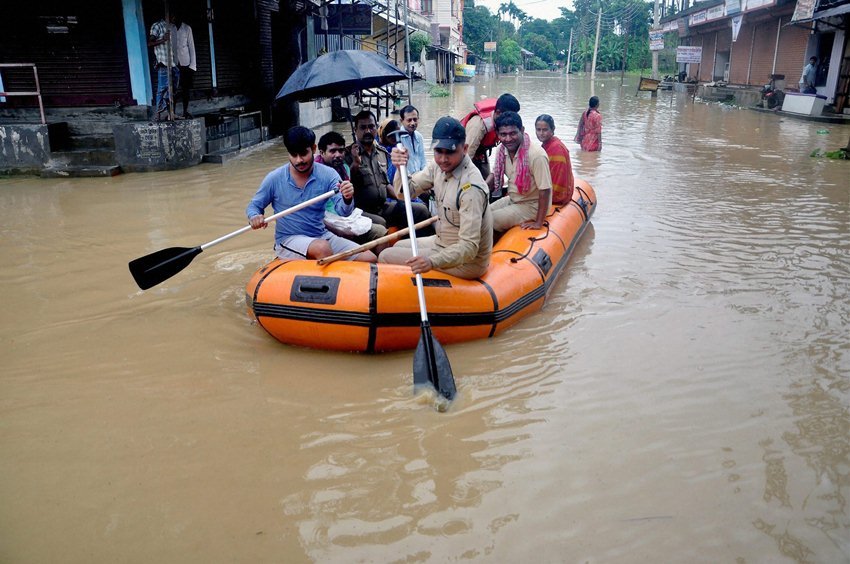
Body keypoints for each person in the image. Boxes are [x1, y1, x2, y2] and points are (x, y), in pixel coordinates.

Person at [380, 116, 493, 280]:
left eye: (450, 152)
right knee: (397, 245)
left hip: (467, 262)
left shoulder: (471, 188)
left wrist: (431, 262)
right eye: (439, 151)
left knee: (385, 256)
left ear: (465, 148)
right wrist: (400, 168)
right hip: (442, 241)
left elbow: (469, 248)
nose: (443, 159)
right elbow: (405, 193)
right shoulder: (437, 167)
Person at [246, 126, 377, 263]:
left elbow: (343, 212)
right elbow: (254, 206)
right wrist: (254, 216)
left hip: (321, 235)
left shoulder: (328, 174)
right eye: (293, 154)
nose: (298, 160)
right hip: (289, 239)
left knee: (369, 259)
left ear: (313, 149)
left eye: (303, 154)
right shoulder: (274, 178)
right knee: (322, 248)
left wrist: (347, 197)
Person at [347, 110, 432, 233]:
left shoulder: (382, 153)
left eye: (371, 127)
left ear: (376, 127)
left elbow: (386, 184)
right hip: (362, 211)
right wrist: (355, 163)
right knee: (381, 222)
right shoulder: (347, 155)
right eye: (363, 128)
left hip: (383, 206)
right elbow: (347, 186)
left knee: (420, 210)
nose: (367, 131)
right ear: (355, 130)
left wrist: (403, 198)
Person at [316, 131, 389, 249]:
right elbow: (314, 214)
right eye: (332, 151)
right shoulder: (315, 173)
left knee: (381, 225)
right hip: (328, 220)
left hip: (345, 214)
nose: (338, 155)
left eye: (341, 151)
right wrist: (339, 231)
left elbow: (346, 204)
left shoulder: (344, 168)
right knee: (380, 231)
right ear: (322, 153)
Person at [490, 111, 552, 232]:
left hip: (533, 204)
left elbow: (545, 190)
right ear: (498, 134)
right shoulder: (502, 151)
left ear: (522, 130)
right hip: (513, 199)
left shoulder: (536, 155)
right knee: (481, 214)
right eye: (503, 134)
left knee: (489, 220)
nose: (508, 139)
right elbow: (495, 175)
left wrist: (538, 223)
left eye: (513, 133)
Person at [461, 93, 521, 181]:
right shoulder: (478, 125)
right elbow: (465, 156)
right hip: (465, 153)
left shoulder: (504, 124)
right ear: (498, 112)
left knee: (487, 179)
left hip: (481, 153)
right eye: (509, 117)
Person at [535, 114, 574, 206]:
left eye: (545, 130)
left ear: (552, 130)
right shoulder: (547, 145)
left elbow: (556, 179)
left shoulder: (556, 149)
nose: (541, 133)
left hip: (556, 196)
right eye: (538, 130)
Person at [148, 12, 178, 122]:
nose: (175, 18)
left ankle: (170, 112)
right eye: (173, 16)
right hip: (163, 63)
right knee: (162, 89)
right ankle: (158, 114)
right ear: (168, 15)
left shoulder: (171, 28)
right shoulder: (157, 26)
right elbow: (150, 43)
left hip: (172, 64)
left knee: (173, 89)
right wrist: (163, 40)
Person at [172, 12, 196, 119]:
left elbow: (191, 47)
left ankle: (185, 111)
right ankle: (173, 112)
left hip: (186, 64)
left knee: (185, 90)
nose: (174, 18)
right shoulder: (170, 28)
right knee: (173, 90)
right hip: (174, 64)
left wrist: (192, 66)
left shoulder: (187, 29)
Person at [398, 105, 427, 174]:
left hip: (419, 177)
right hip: (405, 178)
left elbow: (423, 161)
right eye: (409, 120)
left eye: (415, 119)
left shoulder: (419, 136)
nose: (413, 123)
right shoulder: (398, 138)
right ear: (402, 121)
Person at [378, 118, 401, 182]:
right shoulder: (378, 151)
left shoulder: (398, 149)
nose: (396, 137)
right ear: (385, 133)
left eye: (398, 134)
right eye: (393, 134)